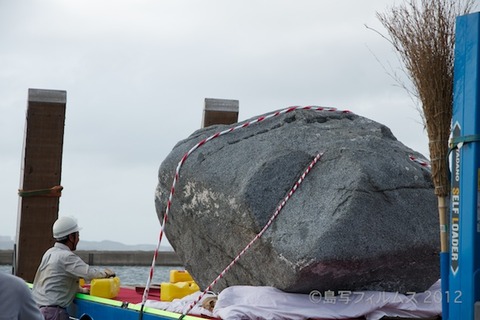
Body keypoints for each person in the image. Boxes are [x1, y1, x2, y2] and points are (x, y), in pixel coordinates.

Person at [32, 216, 115, 320]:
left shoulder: (49, 253)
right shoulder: (66, 256)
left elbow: (56, 282)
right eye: (77, 235)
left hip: (38, 311)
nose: (78, 239)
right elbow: (89, 273)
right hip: (54, 314)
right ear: (71, 237)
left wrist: (81, 290)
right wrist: (106, 274)